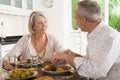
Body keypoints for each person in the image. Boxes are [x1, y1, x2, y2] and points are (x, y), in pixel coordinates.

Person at [51, 0, 120, 80]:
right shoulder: (98, 34)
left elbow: (95, 71)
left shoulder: (109, 37)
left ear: (83, 20)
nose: (76, 23)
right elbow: (93, 61)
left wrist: (67, 57)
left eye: (76, 19)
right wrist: (73, 55)